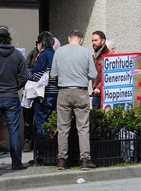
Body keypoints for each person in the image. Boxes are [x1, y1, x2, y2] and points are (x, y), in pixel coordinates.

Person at [51, 30, 97, 170]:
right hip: (81, 91)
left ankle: (62, 160)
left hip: (64, 91)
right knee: (83, 128)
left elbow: (53, 74)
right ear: (81, 40)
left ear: (68, 38)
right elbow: (93, 73)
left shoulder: (59, 52)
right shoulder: (86, 52)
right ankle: (85, 159)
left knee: (63, 128)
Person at [0, 25, 28, 170]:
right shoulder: (17, 54)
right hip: (11, 96)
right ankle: (16, 163)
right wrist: (15, 87)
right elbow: (25, 76)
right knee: (14, 131)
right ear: (8, 38)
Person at [28, 31, 58, 136]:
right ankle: (52, 147)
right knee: (53, 121)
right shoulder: (56, 54)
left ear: (41, 43)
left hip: (44, 93)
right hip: (56, 93)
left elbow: (36, 76)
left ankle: (43, 147)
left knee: (41, 121)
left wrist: (27, 74)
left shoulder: (43, 55)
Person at [22, 44, 39, 152]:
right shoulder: (33, 54)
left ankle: (36, 142)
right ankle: (28, 140)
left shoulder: (48, 53)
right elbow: (26, 68)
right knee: (28, 117)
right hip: (30, 88)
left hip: (41, 90)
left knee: (38, 118)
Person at [91, 31, 111, 109]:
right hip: (96, 92)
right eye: (92, 41)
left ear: (103, 41)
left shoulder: (109, 55)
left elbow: (109, 75)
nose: (93, 43)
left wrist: (99, 88)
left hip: (104, 93)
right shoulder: (95, 56)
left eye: (96, 40)